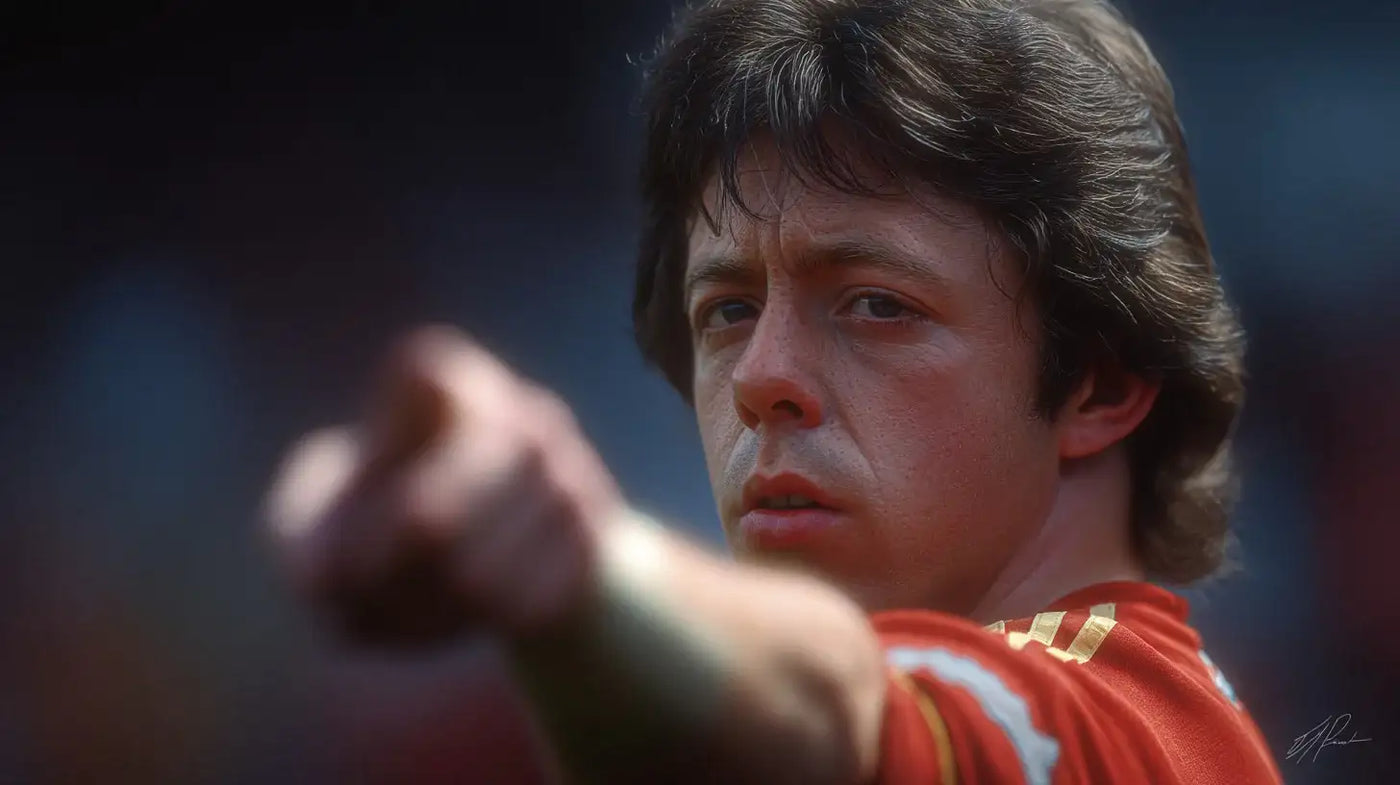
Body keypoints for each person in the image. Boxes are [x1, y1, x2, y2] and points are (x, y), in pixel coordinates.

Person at [264, 0, 1283, 782]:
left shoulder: (1133, 734)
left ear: (1099, 383)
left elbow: (827, 702)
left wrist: (576, 565)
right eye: (727, 309)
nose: (758, 379)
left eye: (876, 304)